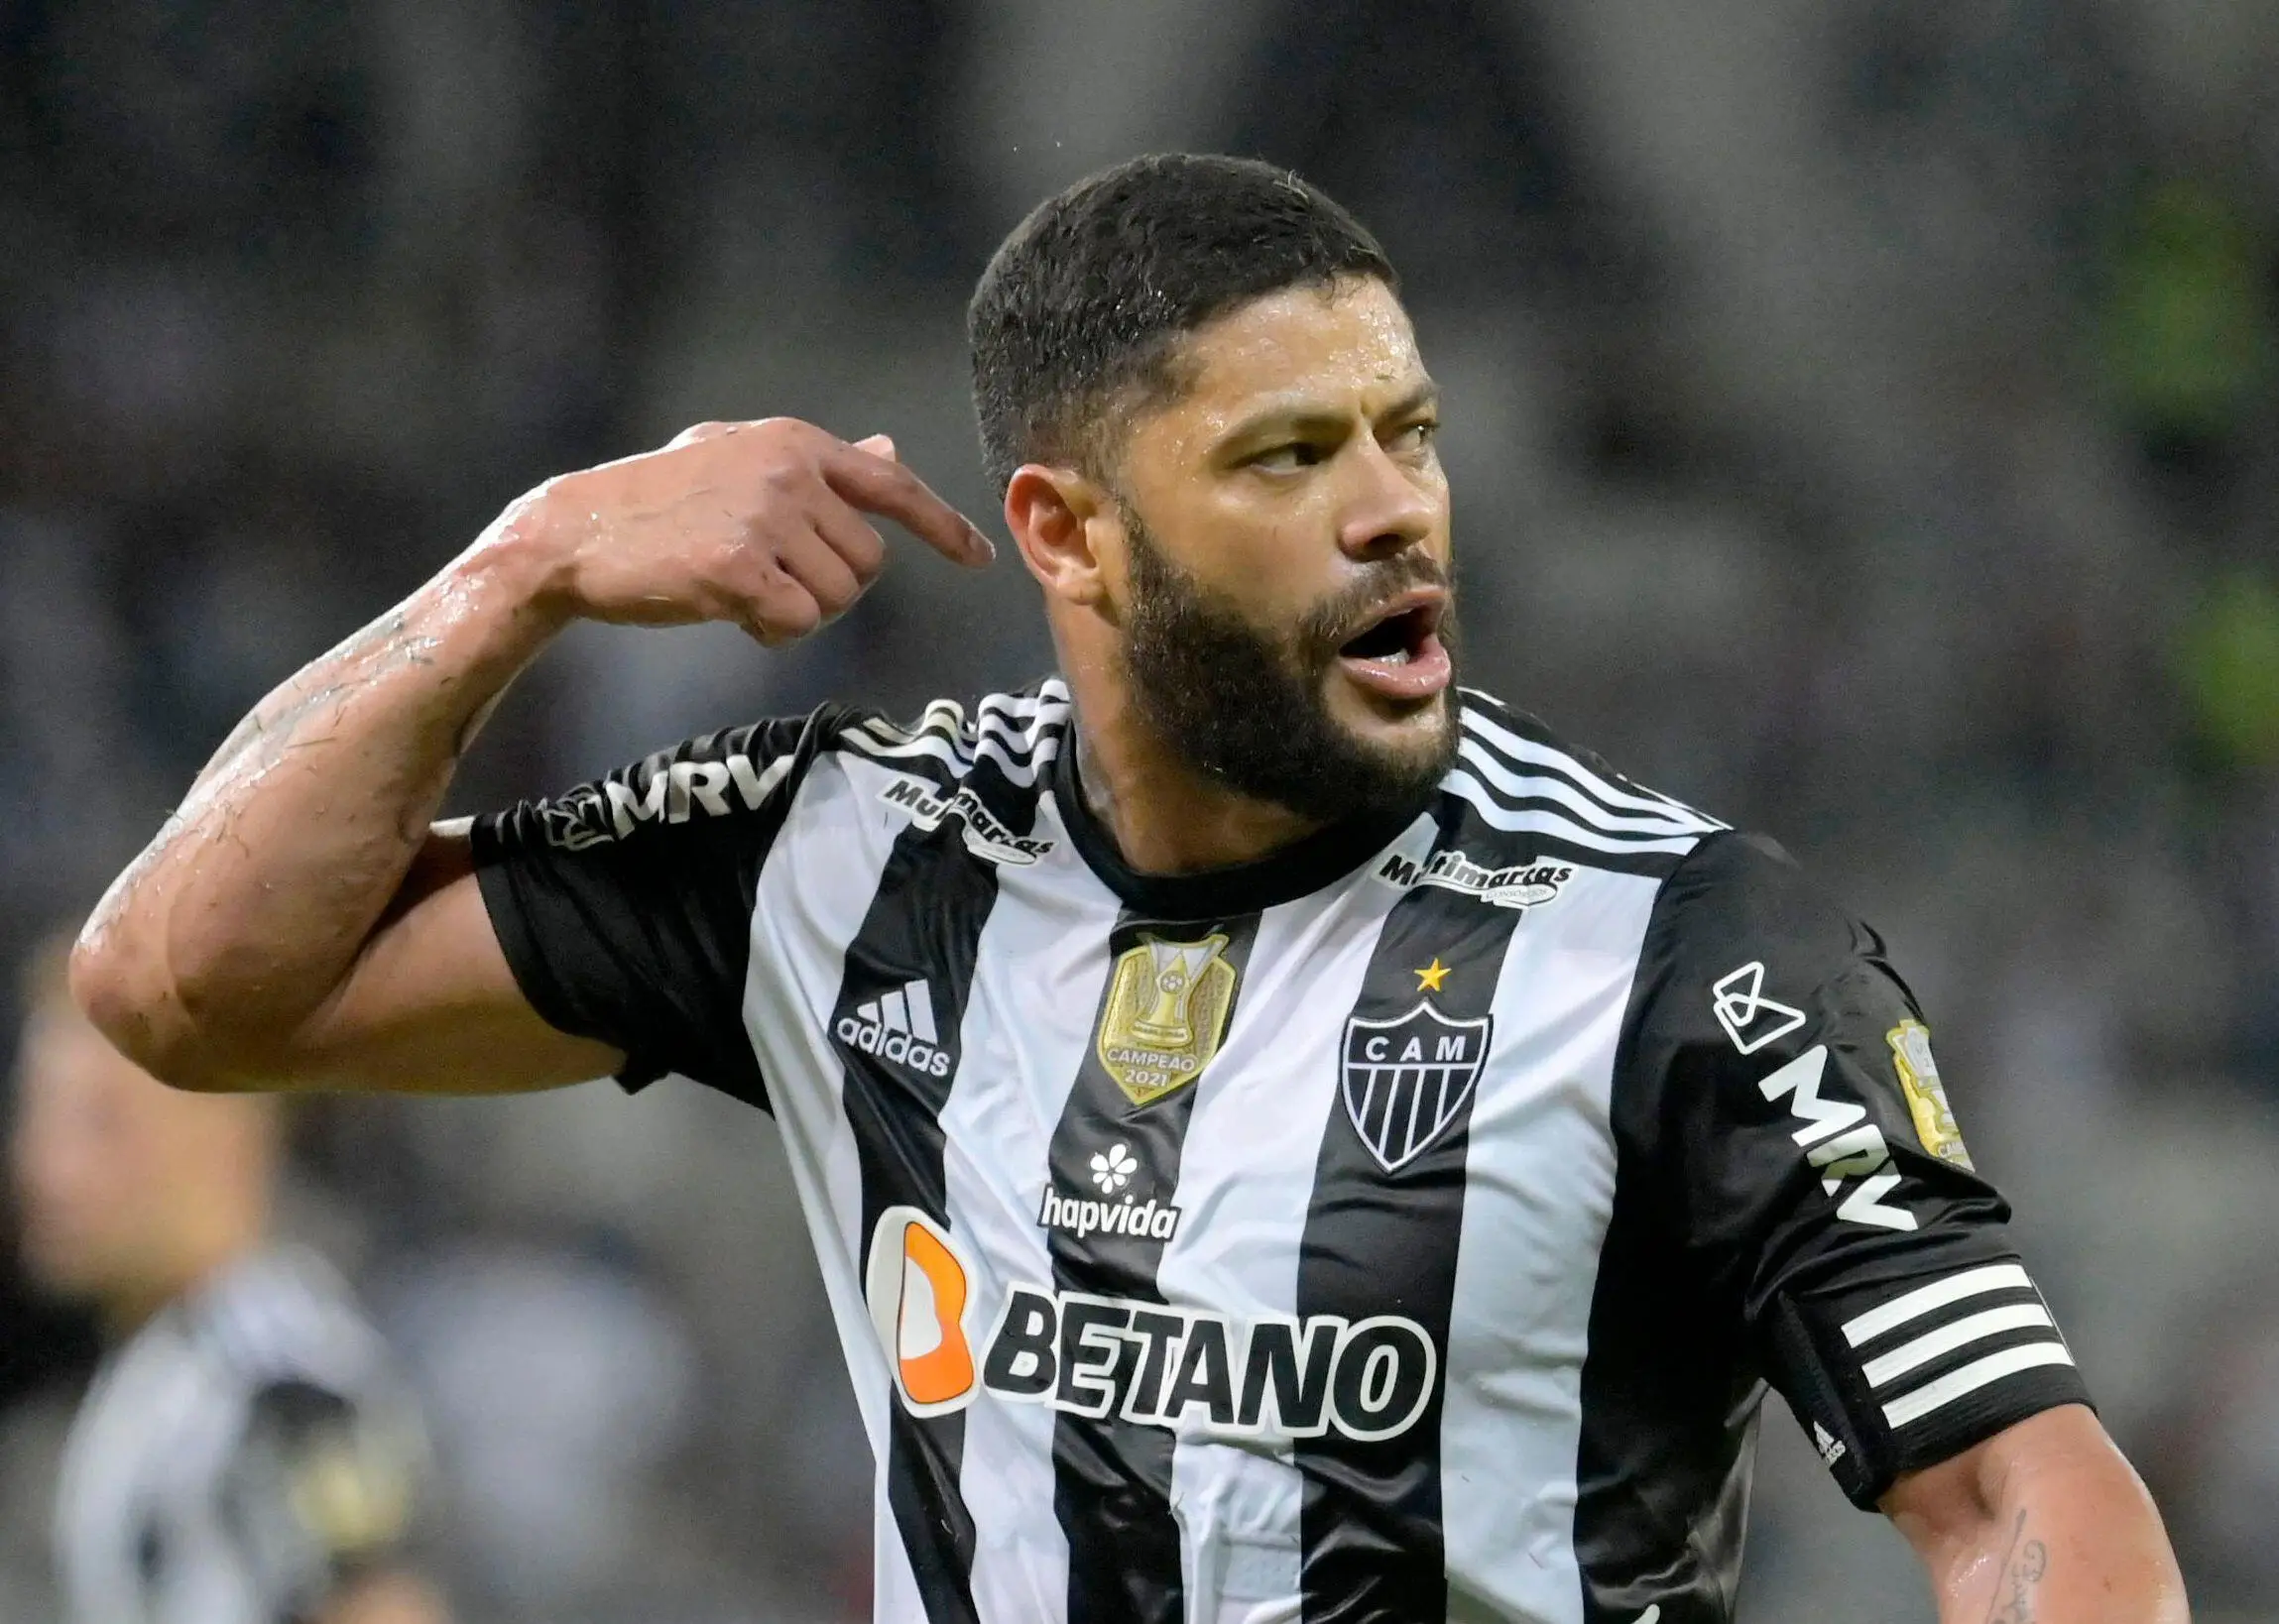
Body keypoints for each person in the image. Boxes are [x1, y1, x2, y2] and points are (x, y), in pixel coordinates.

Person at [67, 153, 2185, 1623]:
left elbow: (2023, 1498)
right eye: (1287, 458)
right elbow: (185, 987)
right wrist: (524, 564)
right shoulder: (851, 861)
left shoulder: (1684, 950)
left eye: (1408, 433)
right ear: (1064, 536)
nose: (1392, 513)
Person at [12, 934, 445, 1624]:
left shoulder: (271, 1378)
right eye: (37, 1117)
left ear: (224, 1119)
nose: (44, 1168)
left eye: (100, 1122)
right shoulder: (170, 1369)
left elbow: (382, 1609)